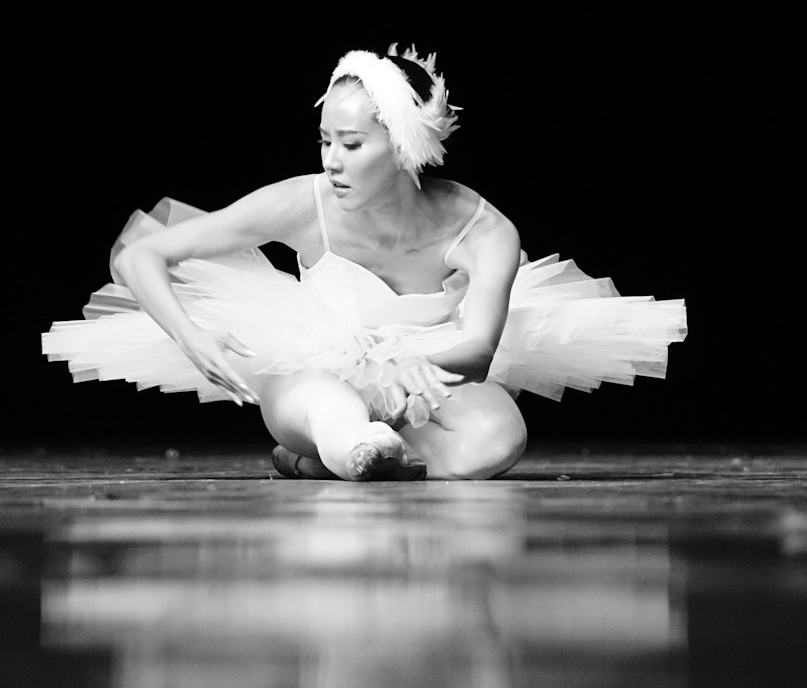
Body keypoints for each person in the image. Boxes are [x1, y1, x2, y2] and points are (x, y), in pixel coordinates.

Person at [42, 45, 686, 481]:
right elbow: (141, 252)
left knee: (500, 439)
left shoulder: (484, 231)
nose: (331, 160)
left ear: (402, 146)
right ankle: (344, 442)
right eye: (326, 140)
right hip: (320, 365)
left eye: (351, 144)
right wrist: (193, 339)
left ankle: (333, 462)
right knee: (327, 405)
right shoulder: (304, 202)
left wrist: (414, 362)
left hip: (428, 380)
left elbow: (480, 349)